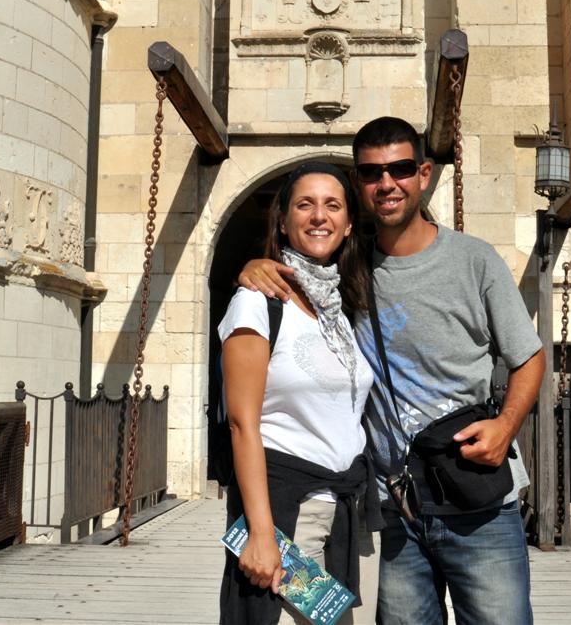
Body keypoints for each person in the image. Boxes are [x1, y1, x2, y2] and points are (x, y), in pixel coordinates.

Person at [240, 117, 547, 625]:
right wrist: (252, 268)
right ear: (360, 183)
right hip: (391, 511)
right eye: (372, 173)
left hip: (478, 501)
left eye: (401, 169)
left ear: (423, 174)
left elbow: (529, 356)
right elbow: (296, 267)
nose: (387, 184)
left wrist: (506, 425)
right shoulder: (346, 268)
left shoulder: (475, 261)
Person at [218, 161, 378, 624]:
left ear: (348, 225)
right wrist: (261, 534)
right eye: (304, 204)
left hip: (345, 514)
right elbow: (241, 422)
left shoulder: (342, 309)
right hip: (290, 520)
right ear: (283, 221)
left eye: (332, 205)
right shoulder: (257, 302)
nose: (318, 216)